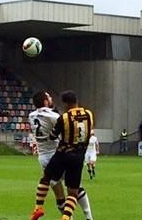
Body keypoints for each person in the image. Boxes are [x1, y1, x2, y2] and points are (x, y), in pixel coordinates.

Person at [31, 90, 94, 220]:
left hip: (43, 157)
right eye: (49, 97)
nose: (51, 99)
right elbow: (64, 128)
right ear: (45, 101)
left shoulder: (31, 116)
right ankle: (87, 217)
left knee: (56, 191)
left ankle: (38, 207)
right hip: (58, 153)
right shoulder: (55, 116)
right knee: (75, 189)